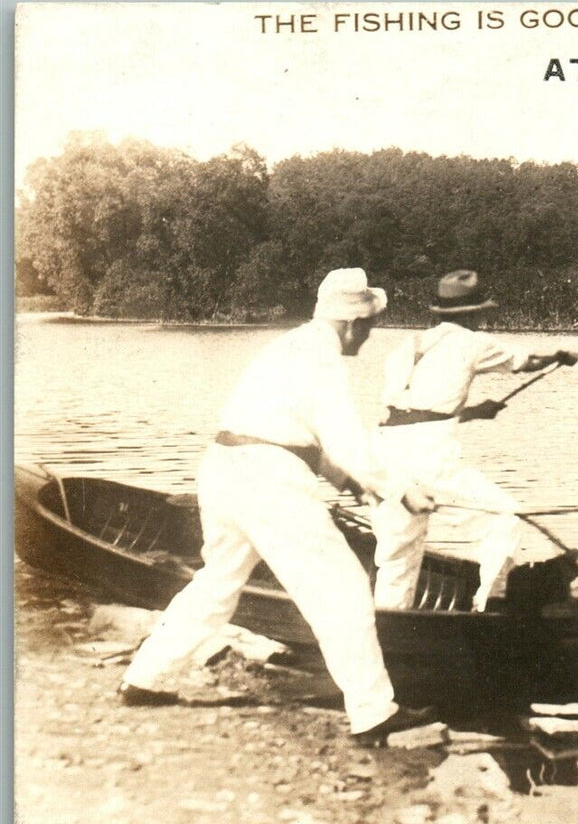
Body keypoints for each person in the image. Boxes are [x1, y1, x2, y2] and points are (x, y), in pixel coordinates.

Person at [120, 268, 439, 746]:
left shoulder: (288, 346)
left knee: (217, 584)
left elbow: (283, 426)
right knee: (343, 589)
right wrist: (398, 489)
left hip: (226, 467)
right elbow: (346, 438)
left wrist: (342, 478)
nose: (368, 335)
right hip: (267, 480)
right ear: (353, 322)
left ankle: (141, 680)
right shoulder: (325, 362)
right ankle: (374, 715)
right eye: (370, 325)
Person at [370, 269, 578, 611]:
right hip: (429, 454)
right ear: (473, 314)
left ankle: (390, 627)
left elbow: (412, 411)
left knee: (398, 549)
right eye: (482, 312)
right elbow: (529, 362)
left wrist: (473, 412)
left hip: (382, 453)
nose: (484, 318)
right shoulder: (472, 342)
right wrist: (560, 357)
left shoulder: (406, 346)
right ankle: (489, 607)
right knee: (506, 518)